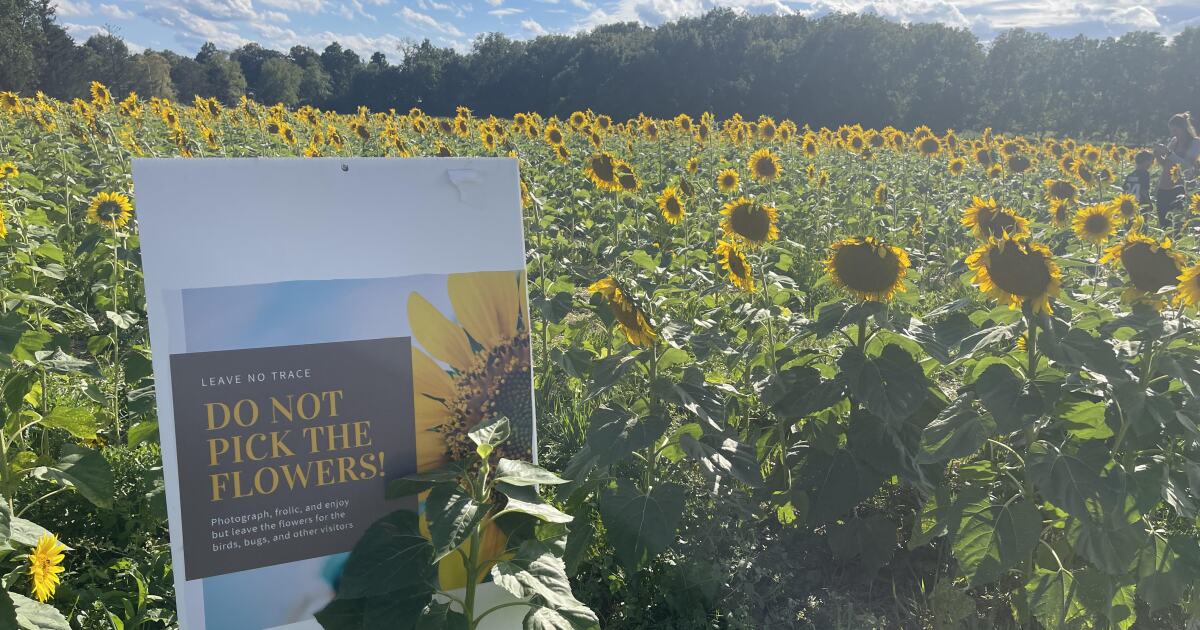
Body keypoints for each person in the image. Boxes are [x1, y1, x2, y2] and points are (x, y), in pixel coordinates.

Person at [1155, 112, 1200, 228]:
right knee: (1164, 226)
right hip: (1163, 188)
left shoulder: (1196, 143)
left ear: (1184, 128)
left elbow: (1190, 168)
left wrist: (1169, 153)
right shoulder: (1174, 141)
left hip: (1181, 190)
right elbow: (1166, 164)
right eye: (1171, 131)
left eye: (1175, 130)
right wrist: (1158, 155)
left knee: (1178, 227)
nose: (1173, 133)